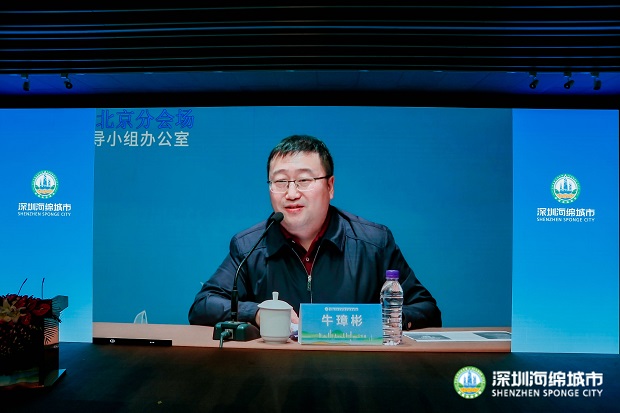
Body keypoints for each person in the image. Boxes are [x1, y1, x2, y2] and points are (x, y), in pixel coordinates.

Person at [188, 134, 441, 329]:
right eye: (280, 182)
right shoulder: (250, 246)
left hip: (356, 370)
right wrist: (255, 312)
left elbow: (426, 309)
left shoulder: (373, 243)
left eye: (304, 180)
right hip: (275, 372)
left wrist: (376, 321)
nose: (291, 193)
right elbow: (203, 305)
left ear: (330, 186)